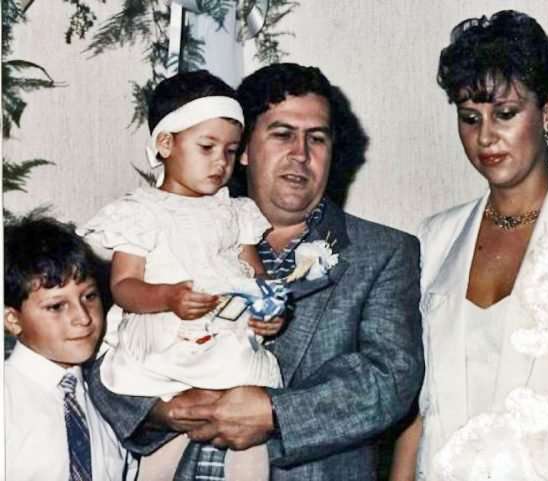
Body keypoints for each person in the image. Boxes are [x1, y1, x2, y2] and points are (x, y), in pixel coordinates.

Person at [86, 62, 424, 481]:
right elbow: (99, 350)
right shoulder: (167, 231)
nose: (301, 153)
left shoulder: (384, 252)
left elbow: (390, 381)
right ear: (244, 149)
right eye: (282, 134)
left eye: (317, 138)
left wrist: (274, 412)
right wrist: (160, 408)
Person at [390, 10, 548, 481]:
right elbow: (418, 409)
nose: (485, 136)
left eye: (505, 114)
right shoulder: (435, 239)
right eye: (469, 118)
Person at [79, 70, 288, 481]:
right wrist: (167, 297)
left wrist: (269, 309)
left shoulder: (234, 211)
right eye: (207, 147)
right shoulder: (141, 212)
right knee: (168, 437)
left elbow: (255, 276)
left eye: (230, 151)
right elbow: (124, 286)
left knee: (246, 435)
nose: (221, 162)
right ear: (165, 144)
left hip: (226, 339)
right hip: (165, 343)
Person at [4, 216, 138, 481]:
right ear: (13, 319)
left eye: (89, 296)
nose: (83, 318)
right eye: (56, 306)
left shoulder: (109, 399)